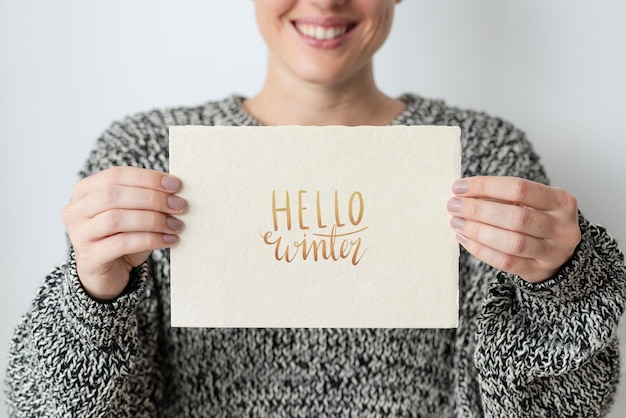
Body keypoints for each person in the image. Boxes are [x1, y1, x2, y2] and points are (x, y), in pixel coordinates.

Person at [5, 0, 625, 416]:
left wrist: (562, 287)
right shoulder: (146, 156)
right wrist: (92, 295)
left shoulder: (485, 154)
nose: (325, 1)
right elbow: (54, 406)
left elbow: (559, 407)